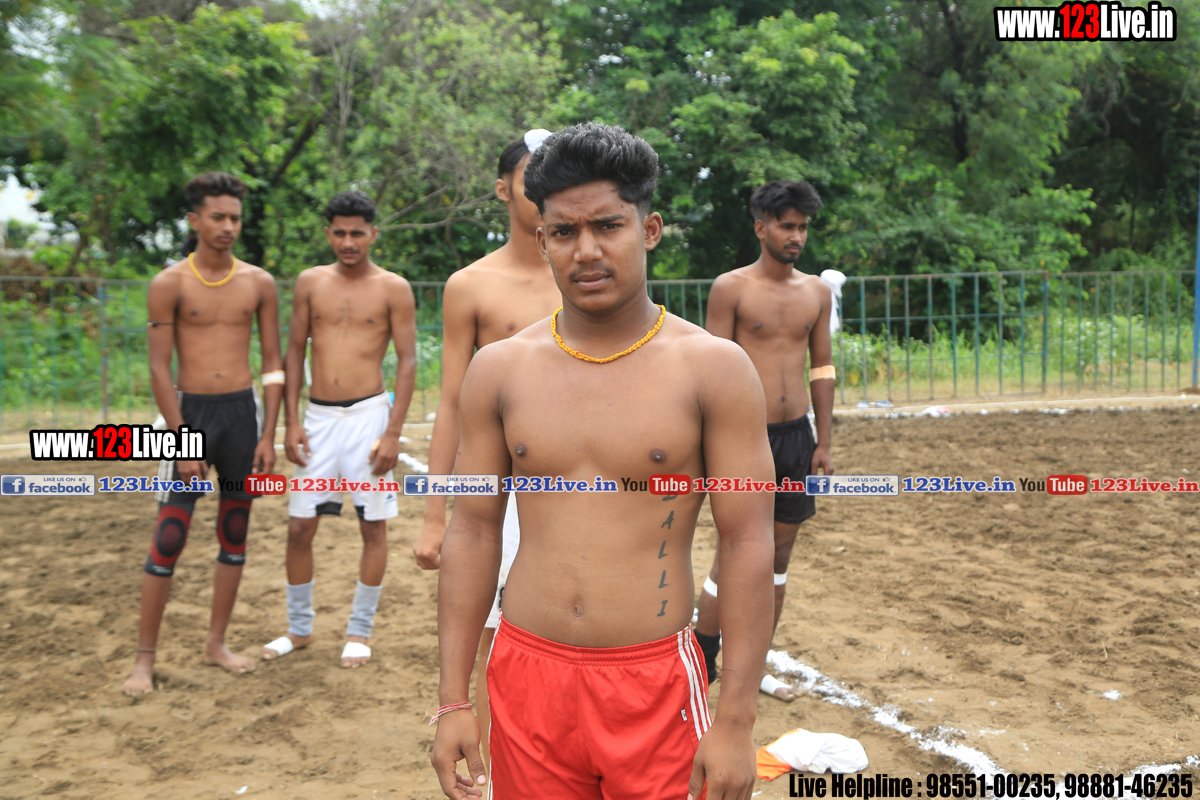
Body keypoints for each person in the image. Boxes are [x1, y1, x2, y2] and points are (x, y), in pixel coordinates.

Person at [430, 122, 775, 800]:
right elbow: (471, 528)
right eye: (564, 232)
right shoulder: (499, 369)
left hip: (653, 684)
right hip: (526, 675)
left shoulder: (713, 369)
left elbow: (747, 539)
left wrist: (735, 719)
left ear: (649, 230)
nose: (586, 251)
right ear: (542, 240)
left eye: (608, 226)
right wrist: (451, 699)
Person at [412, 131, 561, 754]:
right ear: (503, 189)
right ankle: (496, 775)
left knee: (578, 632)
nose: (544, 190)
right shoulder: (470, 285)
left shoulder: (588, 275)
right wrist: (434, 516)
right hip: (500, 490)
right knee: (493, 640)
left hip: (580, 485)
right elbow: (451, 402)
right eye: (532, 177)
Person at [122, 172, 283, 696]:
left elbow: (273, 364)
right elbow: (157, 368)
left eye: (235, 217)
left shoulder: (258, 283)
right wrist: (180, 439)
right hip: (187, 414)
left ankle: (216, 643)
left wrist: (269, 435)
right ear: (194, 220)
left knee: (234, 531)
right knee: (169, 535)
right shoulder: (169, 283)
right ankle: (144, 659)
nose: (228, 226)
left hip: (241, 416)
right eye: (218, 217)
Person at [259, 190, 417, 669]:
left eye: (358, 233)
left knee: (372, 525)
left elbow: (408, 360)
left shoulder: (394, 288)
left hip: (369, 417)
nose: (349, 242)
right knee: (299, 527)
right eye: (340, 233)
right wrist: (291, 422)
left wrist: (392, 432)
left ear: (373, 234)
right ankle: (299, 628)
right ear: (328, 234)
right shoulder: (310, 282)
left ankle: (359, 631)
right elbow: (292, 352)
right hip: (318, 419)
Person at [693, 179, 835, 702]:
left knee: (778, 557)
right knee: (734, 553)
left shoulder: (816, 292)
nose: (796, 236)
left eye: (802, 227)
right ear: (761, 228)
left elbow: (822, 366)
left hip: (797, 436)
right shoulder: (730, 288)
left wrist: (824, 441)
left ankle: (750, 670)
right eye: (786, 226)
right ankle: (702, 663)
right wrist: (709, 444)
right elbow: (713, 367)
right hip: (743, 437)